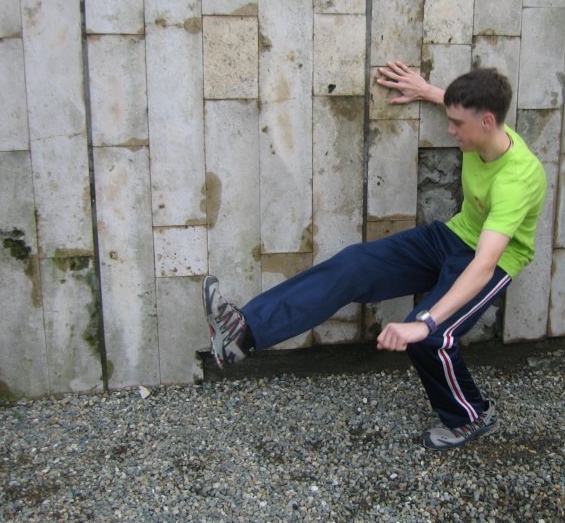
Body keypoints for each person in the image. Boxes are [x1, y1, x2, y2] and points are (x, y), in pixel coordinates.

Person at [202, 61, 547, 451]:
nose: (450, 130)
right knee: (354, 265)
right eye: (449, 118)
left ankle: (472, 416)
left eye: (456, 124)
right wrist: (425, 89)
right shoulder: (482, 126)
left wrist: (425, 322)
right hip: (453, 236)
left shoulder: (517, 179)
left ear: (487, 122)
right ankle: (244, 332)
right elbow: (456, 104)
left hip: (494, 260)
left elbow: (483, 264)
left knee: (430, 336)